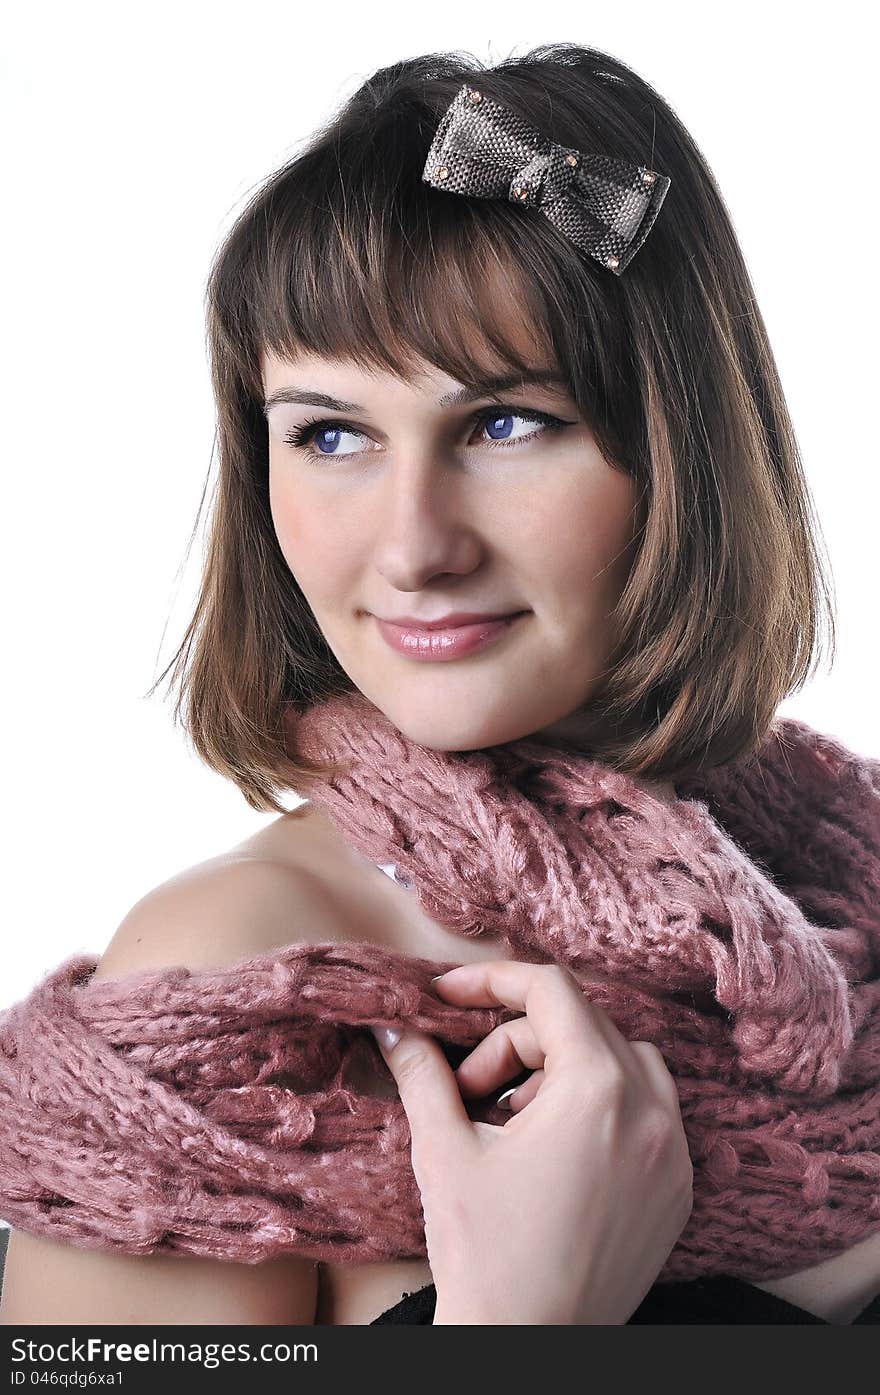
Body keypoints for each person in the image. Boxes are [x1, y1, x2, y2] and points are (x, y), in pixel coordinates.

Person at [2, 42, 878, 1327]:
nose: (413, 546)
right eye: (331, 434)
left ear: (679, 446)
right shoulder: (218, 994)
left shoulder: (848, 871)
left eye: (503, 422)